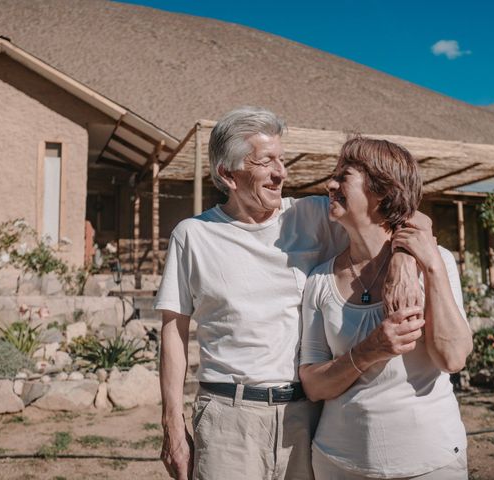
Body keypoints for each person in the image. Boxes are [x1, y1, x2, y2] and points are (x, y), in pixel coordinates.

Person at [154, 107, 427, 480]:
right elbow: (173, 331)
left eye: (280, 159)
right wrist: (172, 424)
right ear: (227, 174)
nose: (281, 172)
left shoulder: (312, 216)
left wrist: (403, 262)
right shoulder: (193, 236)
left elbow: (407, 215)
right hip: (228, 421)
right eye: (266, 161)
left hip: (309, 416)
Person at [299, 136, 473, 480]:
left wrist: (430, 267)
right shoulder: (319, 280)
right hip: (338, 462)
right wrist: (370, 350)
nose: (329, 184)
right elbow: (314, 386)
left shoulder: (436, 263)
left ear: (382, 192)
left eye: (343, 176)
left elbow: (452, 359)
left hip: (431, 463)